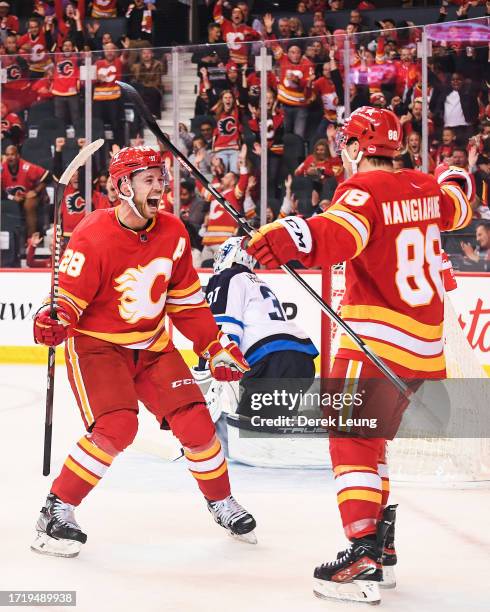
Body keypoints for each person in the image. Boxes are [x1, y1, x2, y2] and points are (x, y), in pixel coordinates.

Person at [245, 107, 473, 604]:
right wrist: (457, 175)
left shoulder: (361, 191)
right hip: (425, 350)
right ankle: (383, 550)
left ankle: (362, 555)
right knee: (373, 446)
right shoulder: (424, 187)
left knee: (350, 441)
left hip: (376, 341)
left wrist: (288, 236)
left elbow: (337, 235)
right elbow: (460, 203)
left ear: (354, 147)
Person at [31, 146, 257, 558]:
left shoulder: (173, 232)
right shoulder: (93, 234)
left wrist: (213, 346)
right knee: (117, 427)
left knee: (197, 423)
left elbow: (186, 301)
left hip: (153, 347)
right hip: (99, 349)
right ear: (122, 187)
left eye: (161, 177)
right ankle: (56, 509)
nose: (160, 186)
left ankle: (221, 501)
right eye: (149, 179)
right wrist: (55, 318)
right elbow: (68, 304)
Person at [203, 237, 318, 454]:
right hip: (300, 360)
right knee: (268, 433)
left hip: (271, 363)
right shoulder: (256, 281)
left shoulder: (226, 277)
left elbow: (225, 328)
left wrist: (218, 367)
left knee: (255, 443)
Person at [1, 144, 51, 237]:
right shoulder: (2, 168)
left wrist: (35, 191)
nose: (10, 157)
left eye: (12, 154)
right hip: (9, 196)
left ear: (18, 156)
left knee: (29, 205)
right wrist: (12, 197)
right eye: (7, 155)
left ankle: (30, 239)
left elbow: (48, 176)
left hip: (29, 195)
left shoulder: (27, 167)